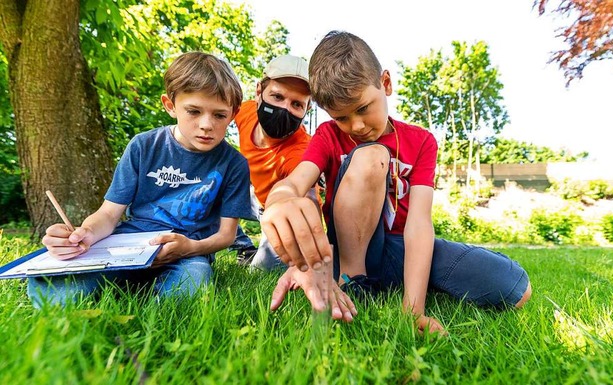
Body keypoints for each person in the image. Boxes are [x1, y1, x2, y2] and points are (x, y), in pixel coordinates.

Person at [263, 31, 532, 334]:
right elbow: (295, 183)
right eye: (342, 118)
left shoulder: (421, 141)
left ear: (386, 84)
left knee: (515, 289)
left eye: (363, 108)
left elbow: (419, 223)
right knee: (371, 155)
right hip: (349, 251)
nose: (358, 126)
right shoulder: (328, 135)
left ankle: (399, 282)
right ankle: (354, 284)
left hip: (402, 249)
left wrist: (413, 308)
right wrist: (281, 200)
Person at [28, 52, 254, 308]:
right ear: (170, 105)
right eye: (193, 111)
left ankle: (149, 295)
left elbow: (226, 236)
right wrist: (86, 234)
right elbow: (109, 214)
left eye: (219, 115)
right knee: (57, 291)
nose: (206, 125)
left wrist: (189, 248)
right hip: (129, 246)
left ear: (234, 114)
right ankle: (129, 283)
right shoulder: (143, 146)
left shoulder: (234, 164)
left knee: (190, 289)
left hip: (188, 253)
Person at [233, 54, 320, 270]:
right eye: (278, 97)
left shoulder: (300, 151)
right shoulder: (244, 112)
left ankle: (256, 256)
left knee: (261, 271)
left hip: (279, 211)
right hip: (248, 195)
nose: (285, 109)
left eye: (297, 104)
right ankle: (243, 246)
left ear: (306, 111)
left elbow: (308, 204)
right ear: (259, 92)